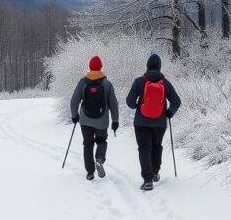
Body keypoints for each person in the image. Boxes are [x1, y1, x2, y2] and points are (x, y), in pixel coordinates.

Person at [125, 53, 181, 191]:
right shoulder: (165, 83)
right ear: (160, 67)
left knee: (144, 148)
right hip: (160, 122)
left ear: (147, 66)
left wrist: (137, 105)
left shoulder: (139, 81)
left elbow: (129, 102)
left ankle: (148, 180)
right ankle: (155, 172)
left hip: (141, 122)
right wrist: (169, 112)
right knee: (156, 146)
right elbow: (176, 101)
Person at [70, 55, 120, 181]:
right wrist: (115, 120)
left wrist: (74, 115)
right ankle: (100, 158)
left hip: (85, 120)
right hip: (102, 121)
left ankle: (90, 173)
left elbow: (74, 101)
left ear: (90, 67)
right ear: (100, 67)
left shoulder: (83, 82)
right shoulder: (107, 84)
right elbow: (113, 104)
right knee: (101, 141)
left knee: (88, 144)